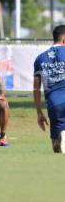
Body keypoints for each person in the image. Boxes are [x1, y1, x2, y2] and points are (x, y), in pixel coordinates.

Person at [33, 25, 65, 153]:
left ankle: (60, 139)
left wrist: (39, 112)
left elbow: (36, 89)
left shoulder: (40, 58)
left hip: (54, 104)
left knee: (56, 148)